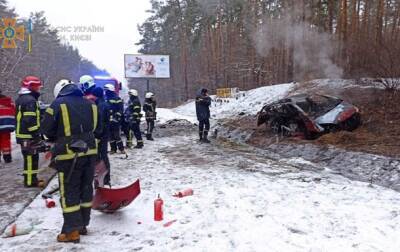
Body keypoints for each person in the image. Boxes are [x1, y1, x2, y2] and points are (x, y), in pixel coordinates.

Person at [41, 79, 101, 243]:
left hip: (68, 156)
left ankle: (71, 231)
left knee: (69, 192)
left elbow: (46, 131)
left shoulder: (57, 104)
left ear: (59, 91)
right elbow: (96, 128)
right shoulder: (91, 104)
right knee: (85, 188)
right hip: (90, 152)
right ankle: (82, 225)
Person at [15, 76, 44, 187]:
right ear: (31, 87)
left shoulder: (22, 98)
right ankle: (30, 181)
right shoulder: (30, 100)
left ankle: (31, 179)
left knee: (29, 158)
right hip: (28, 135)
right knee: (31, 158)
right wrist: (36, 135)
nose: (38, 89)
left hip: (23, 135)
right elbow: (30, 120)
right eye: (37, 87)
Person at [91, 87, 111, 186]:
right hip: (103, 134)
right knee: (101, 156)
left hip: (102, 135)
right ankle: (103, 178)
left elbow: (101, 122)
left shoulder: (101, 105)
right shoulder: (101, 103)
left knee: (102, 156)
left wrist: (98, 136)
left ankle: (106, 178)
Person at [104, 84, 125, 154]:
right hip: (108, 121)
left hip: (115, 121)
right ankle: (113, 149)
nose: (105, 91)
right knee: (110, 136)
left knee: (116, 135)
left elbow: (121, 109)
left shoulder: (117, 98)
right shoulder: (105, 98)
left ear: (110, 90)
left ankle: (121, 149)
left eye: (106, 90)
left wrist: (116, 117)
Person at [0, 90, 16, 163]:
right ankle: (7, 157)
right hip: (7, 125)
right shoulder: (8, 101)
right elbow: (14, 110)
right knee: (6, 141)